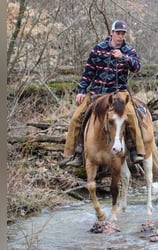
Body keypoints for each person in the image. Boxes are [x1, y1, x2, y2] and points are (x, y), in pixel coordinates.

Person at [59, 20, 145, 168]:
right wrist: (81, 91)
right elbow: (88, 72)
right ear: (111, 33)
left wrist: (123, 58)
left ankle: (135, 150)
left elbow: (137, 67)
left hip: (119, 93)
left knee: (131, 115)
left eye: (123, 34)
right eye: (118, 33)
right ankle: (74, 153)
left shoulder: (128, 50)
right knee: (76, 118)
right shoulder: (98, 49)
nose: (120, 36)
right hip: (96, 93)